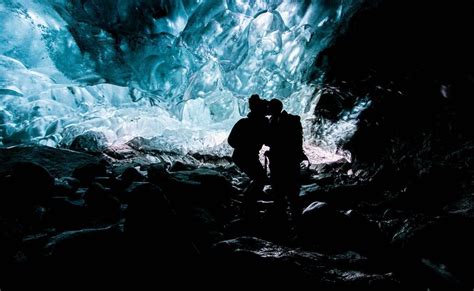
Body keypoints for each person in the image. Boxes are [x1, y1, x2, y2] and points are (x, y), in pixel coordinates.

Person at [265, 98, 306, 235]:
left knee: (288, 193)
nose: (268, 110)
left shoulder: (288, 120)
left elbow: (276, 140)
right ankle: (288, 224)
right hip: (282, 161)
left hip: (285, 161)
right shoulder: (286, 120)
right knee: (284, 193)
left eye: (269, 107)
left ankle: (293, 225)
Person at [228, 94, 269, 221]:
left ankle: (248, 204)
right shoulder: (259, 124)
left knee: (259, 178)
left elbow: (231, 141)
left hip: (243, 156)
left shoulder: (246, 123)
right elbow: (268, 140)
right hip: (244, 156)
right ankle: (247, 206)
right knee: (260, 179)